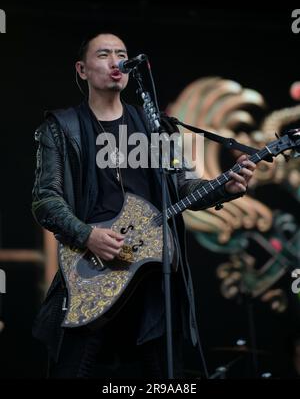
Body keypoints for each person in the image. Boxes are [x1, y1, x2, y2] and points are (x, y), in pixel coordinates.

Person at [32, 32, 256, 378]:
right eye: (103, 54)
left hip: (151, 276)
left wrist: (224, 187)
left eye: (121, 53)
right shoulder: (62, 128)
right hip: (89, 270)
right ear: (82, 70)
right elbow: (46, 199)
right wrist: (86, 234)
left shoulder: (157, 128)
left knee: (160, 374)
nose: (115, 61)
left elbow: (183, 187)